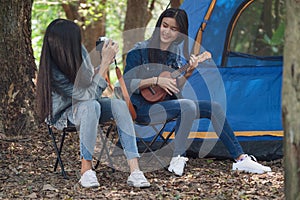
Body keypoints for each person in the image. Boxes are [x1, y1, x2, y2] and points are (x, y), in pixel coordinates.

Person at [123, 8, 271, 176]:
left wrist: (189, 72)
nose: (167, 31)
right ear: (159, 25)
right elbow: (126, 84)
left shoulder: (175, 55)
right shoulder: (139, 50)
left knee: (213, 107)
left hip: (165, 105)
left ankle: (241, 159)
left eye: (173, 29)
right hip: (141, 109)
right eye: (165, 25)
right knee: (187, 105)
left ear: (179, 34)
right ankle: (178, 157)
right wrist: (155, 80)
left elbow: (175, 90)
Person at [35, 19, 150, 188]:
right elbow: (87, 96)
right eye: (76, 40)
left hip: (87, 106)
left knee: (118, 104)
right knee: (91, 106)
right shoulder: (53, 72)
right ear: (64, 43)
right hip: (64, 115)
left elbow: (89, 80)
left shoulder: (78, 51)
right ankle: (86, 170)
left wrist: (105, 62)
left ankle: (135, 171)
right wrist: (103, 65)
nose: (80, 43)